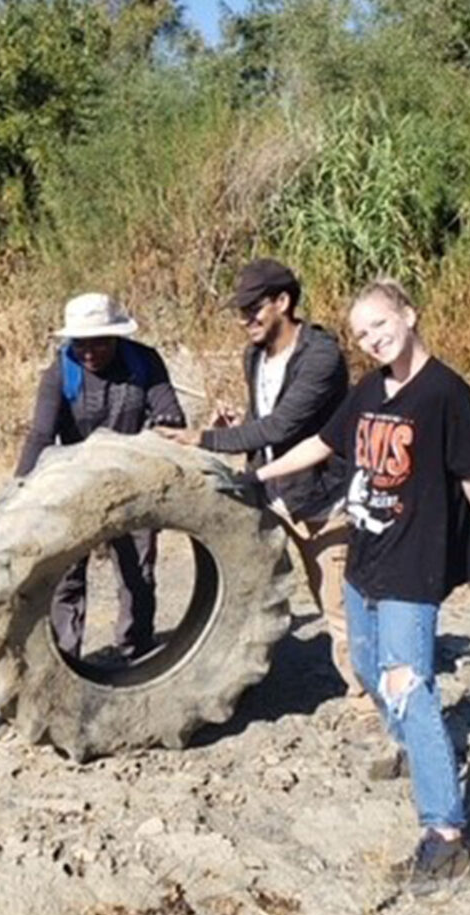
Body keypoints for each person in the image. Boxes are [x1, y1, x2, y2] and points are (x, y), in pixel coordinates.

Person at [255, 278, 470, 894]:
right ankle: (416, 749)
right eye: (362, 333)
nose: (374, 339)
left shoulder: (445, 393)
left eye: (381, 324)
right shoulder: (371, 389)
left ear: (408, 313)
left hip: (414, 563)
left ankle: (448, 840)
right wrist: (262, 475)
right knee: (366, 662)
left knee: (410, 686)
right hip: (366, 556)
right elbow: (321, 444)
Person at [157, 258, 363, 700]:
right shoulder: (255, 354)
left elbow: (283, 426)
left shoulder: (321, 356)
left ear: (283, 302)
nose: (244, 319)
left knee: (338, 607)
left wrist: (206, 437)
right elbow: (262, 418)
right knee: (244, 588)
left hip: (320, 501)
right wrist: (237, 426)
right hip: (267, 488)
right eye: (241, 309)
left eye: (254, 308)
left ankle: (369, 703)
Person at [16, 292, 186, 660]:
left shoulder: (144, 363)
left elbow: (170, 410)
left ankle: (137, 649)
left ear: (117, 337)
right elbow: (41, 436)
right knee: (66, 575)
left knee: (137, 574)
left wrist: (168, 421)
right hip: (74, 484)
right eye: (81, 344)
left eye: (99, 343)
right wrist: (19, 490)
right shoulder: (61, 372)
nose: (89, 352)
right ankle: (67, 655)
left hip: (133, 482)